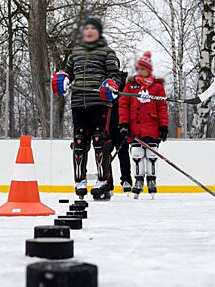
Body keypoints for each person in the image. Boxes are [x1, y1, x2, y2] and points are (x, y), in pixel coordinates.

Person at [51, 17, 122, 200]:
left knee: (100, 139)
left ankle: (102, 181)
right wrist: (64, 78)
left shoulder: (107, 52)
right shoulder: (75, 53)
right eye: (86, 28)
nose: (89, 31)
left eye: (93, 28)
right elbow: (69, 72)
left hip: (99, 102)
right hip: (78, 103)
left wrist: (112, 83)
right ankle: (80, 181)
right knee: (80, 141)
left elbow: (115, 75)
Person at [117, 51, 169, 199]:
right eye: (138, 69)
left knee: (151, 155)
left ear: (149, 70)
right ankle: (138, 181)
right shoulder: (130, 86)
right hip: (134, 129)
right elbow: (123, 106)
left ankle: (152, 181)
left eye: (143, 69)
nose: (140, 71)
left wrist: (163, 126)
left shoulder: (157, 87)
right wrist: (123, 124)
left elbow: (162, 107)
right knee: (137, 155)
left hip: (152, 129)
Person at [108, 70, 133, 194]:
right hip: (106, 124)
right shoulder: (103, 80)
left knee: (123, 153)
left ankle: (126, 180)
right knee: (105, 154)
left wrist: (127, 124)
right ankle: (108, 182)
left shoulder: (125, 82)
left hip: (120, 125)